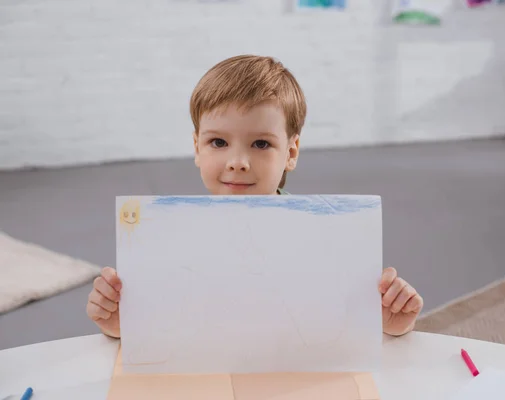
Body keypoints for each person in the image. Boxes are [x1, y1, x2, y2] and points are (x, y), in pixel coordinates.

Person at [86, 55, 423, 339]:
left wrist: (390, 324)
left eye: (261, 144)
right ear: (197, 148)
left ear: (291, 152)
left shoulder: (325, 241)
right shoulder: (169, 240)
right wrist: (121, 324)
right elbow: (165, 326)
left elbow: (342, 322)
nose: (237, 162)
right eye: (218, 142)